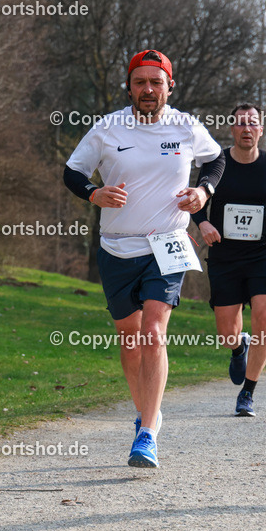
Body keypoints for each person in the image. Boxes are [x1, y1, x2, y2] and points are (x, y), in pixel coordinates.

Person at [62, 49, 225, 468]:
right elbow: (73, 172)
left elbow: (216, 159)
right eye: (140, 82)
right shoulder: (107, 128)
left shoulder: (187, 127)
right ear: (130, 87)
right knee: (130, 339)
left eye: (156, 82)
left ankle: (149, 433)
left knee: (153, 333)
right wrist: (93, 193)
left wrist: (203, 192)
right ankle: (143, 414)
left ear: (170, 85)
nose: (148, 90)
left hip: (167, 243)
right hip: (117, 247)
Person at [192, 104, 266, 416]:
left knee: (265, 319)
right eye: (241, 123)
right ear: (232, 129)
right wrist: (203, 223)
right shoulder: (216, 163)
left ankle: (248, 392)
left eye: (252, 123)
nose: (247, 129)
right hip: (225, 255)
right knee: (226, 329)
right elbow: (195, 200)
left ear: (261, 129)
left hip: (264, 253)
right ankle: (237, 347)